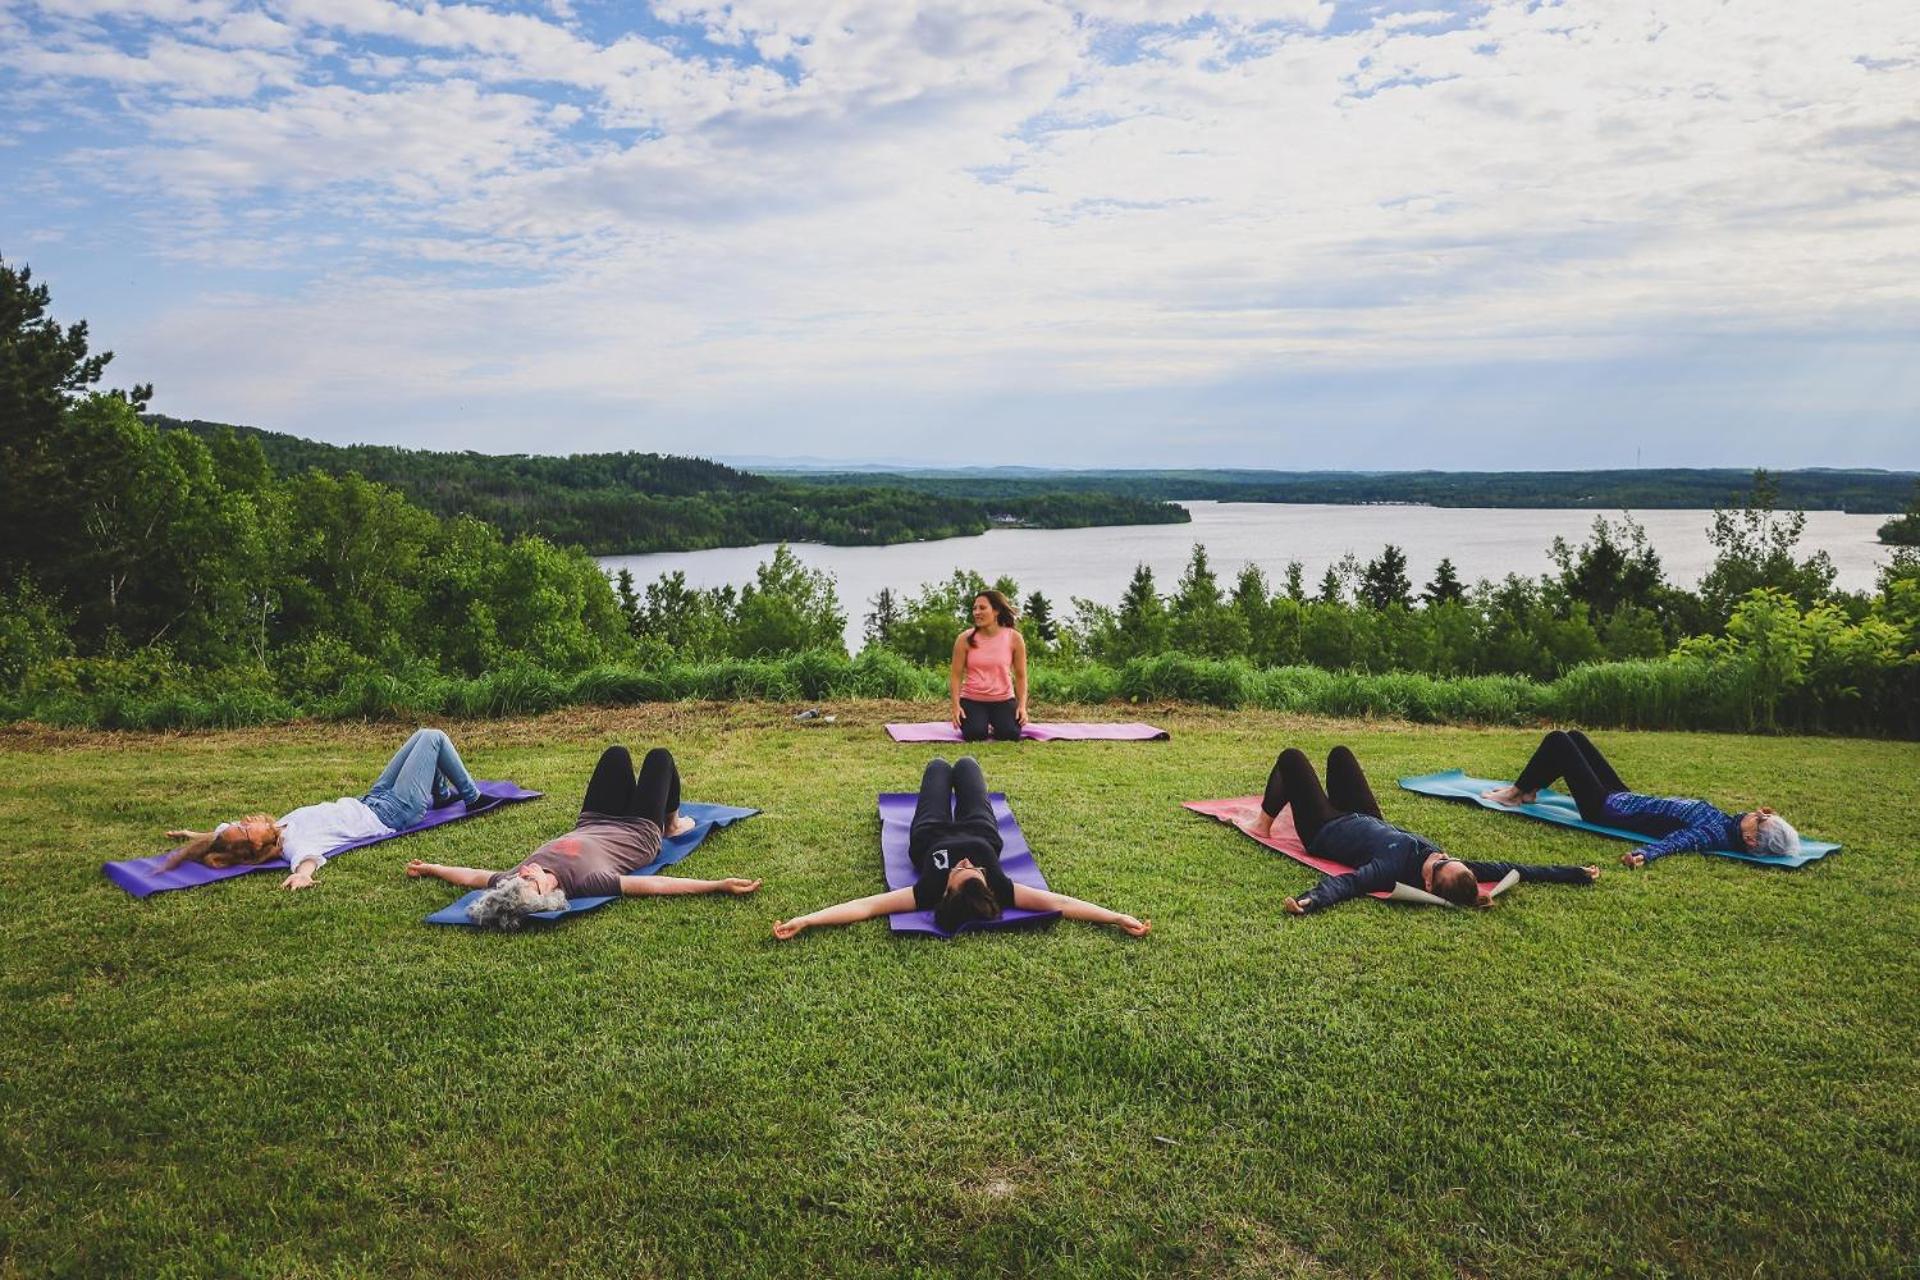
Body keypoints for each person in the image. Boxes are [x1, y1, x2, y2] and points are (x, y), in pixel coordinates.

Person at [771, 756, 1150, 939]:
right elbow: (1063, 904)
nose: (966, 862)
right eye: (975, 869)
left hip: (930, 830)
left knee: (938, 767)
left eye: (959, 870)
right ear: (986, 882)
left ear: (946, 890)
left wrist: (808, 919)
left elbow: (865, 907)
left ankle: (940, 776)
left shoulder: (928, 892)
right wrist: (1116, 915)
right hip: (981, 827)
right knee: (967, 764)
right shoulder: (999, 888)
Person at [408, 745, 760, 929]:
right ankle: (673, 823)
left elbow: (471, 876)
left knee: (616, 756)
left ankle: (656, 809)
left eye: (520, 878)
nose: (526, 872)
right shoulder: (588, 882)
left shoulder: (515, 878)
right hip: (640, 829)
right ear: (549, 894)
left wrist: (432, 867)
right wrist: (716, 884)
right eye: (530, 882)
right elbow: (656, 885)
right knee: (659, 759)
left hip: (594, 819)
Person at [1241, 745, 1599, 914]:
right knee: (1340, 755)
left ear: (1428, 885)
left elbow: (1348, 884)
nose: (1441, 855)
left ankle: (1263, 823)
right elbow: (1515, 869)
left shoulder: (1392, 871)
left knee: (1292, 758)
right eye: (1450, 857)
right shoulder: (1449, 864)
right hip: (1366, 818)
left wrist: (1311, 900)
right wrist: (1574, 873)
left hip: (1326, 828)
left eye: (1440, 864)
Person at [160, 727, 484, 890]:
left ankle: (441, 794)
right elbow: (307, 862)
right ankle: (473, 797)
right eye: (245, 828)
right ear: (255, 847)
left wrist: (194, 837)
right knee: (434, 737)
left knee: (419, 736)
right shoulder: (293, 846)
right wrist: (301, 878)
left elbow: (221, 834)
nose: (246, 819)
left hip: (371, 798)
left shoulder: (280, 827)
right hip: (393, 811)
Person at [1482, 729, 1801, 868]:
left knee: (1559, 741)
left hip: (1604, 809)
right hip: (1624, 798)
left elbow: (1679, 841)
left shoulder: (1713, 833)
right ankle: (1532, 789)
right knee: (1575, 737)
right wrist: (1760, 816)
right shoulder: (1728, 825)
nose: (1757, 811)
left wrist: (1644, 854)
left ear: (1749, 838)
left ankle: (1514, 794)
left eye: (1761, 818)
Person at [949, 590, 1029, 742]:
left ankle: (996, 721)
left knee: (1010, 734)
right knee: (975, 734)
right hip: (972, 699)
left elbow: (1021, 676)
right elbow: (956, 675)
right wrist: (955, 706)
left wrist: (1022, 706)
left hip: (1003, 699)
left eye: (982, 608)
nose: (977, 612)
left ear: (996, 611)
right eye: (975, 608)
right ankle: (983, 721)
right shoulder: (964, 638)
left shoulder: (1014, 638)